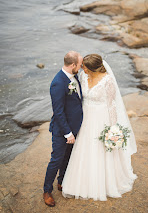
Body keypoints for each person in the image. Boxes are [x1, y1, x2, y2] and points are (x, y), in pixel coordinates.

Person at [62, 54, 137, 201]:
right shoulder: (83, 76)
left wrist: (113, 127)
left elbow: (111, 104)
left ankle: (104, 182)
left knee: (100, 148)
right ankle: (81, 180)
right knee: (84, 148)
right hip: (85, 118)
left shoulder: (107, 80)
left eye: (84, 67)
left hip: (101, 117)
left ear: (93, 69)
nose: (82, 69)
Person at [43, 51, 83, 207]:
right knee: (56, 160)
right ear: (73, 65)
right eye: (79, 65)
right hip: (62, 131)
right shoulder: (58, 82)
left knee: (67, 157)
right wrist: (67, 133)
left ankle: (61, 182)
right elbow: (58, 111)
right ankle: (47, 191)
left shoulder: (74, 77)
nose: (80, 68)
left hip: (74, 128)